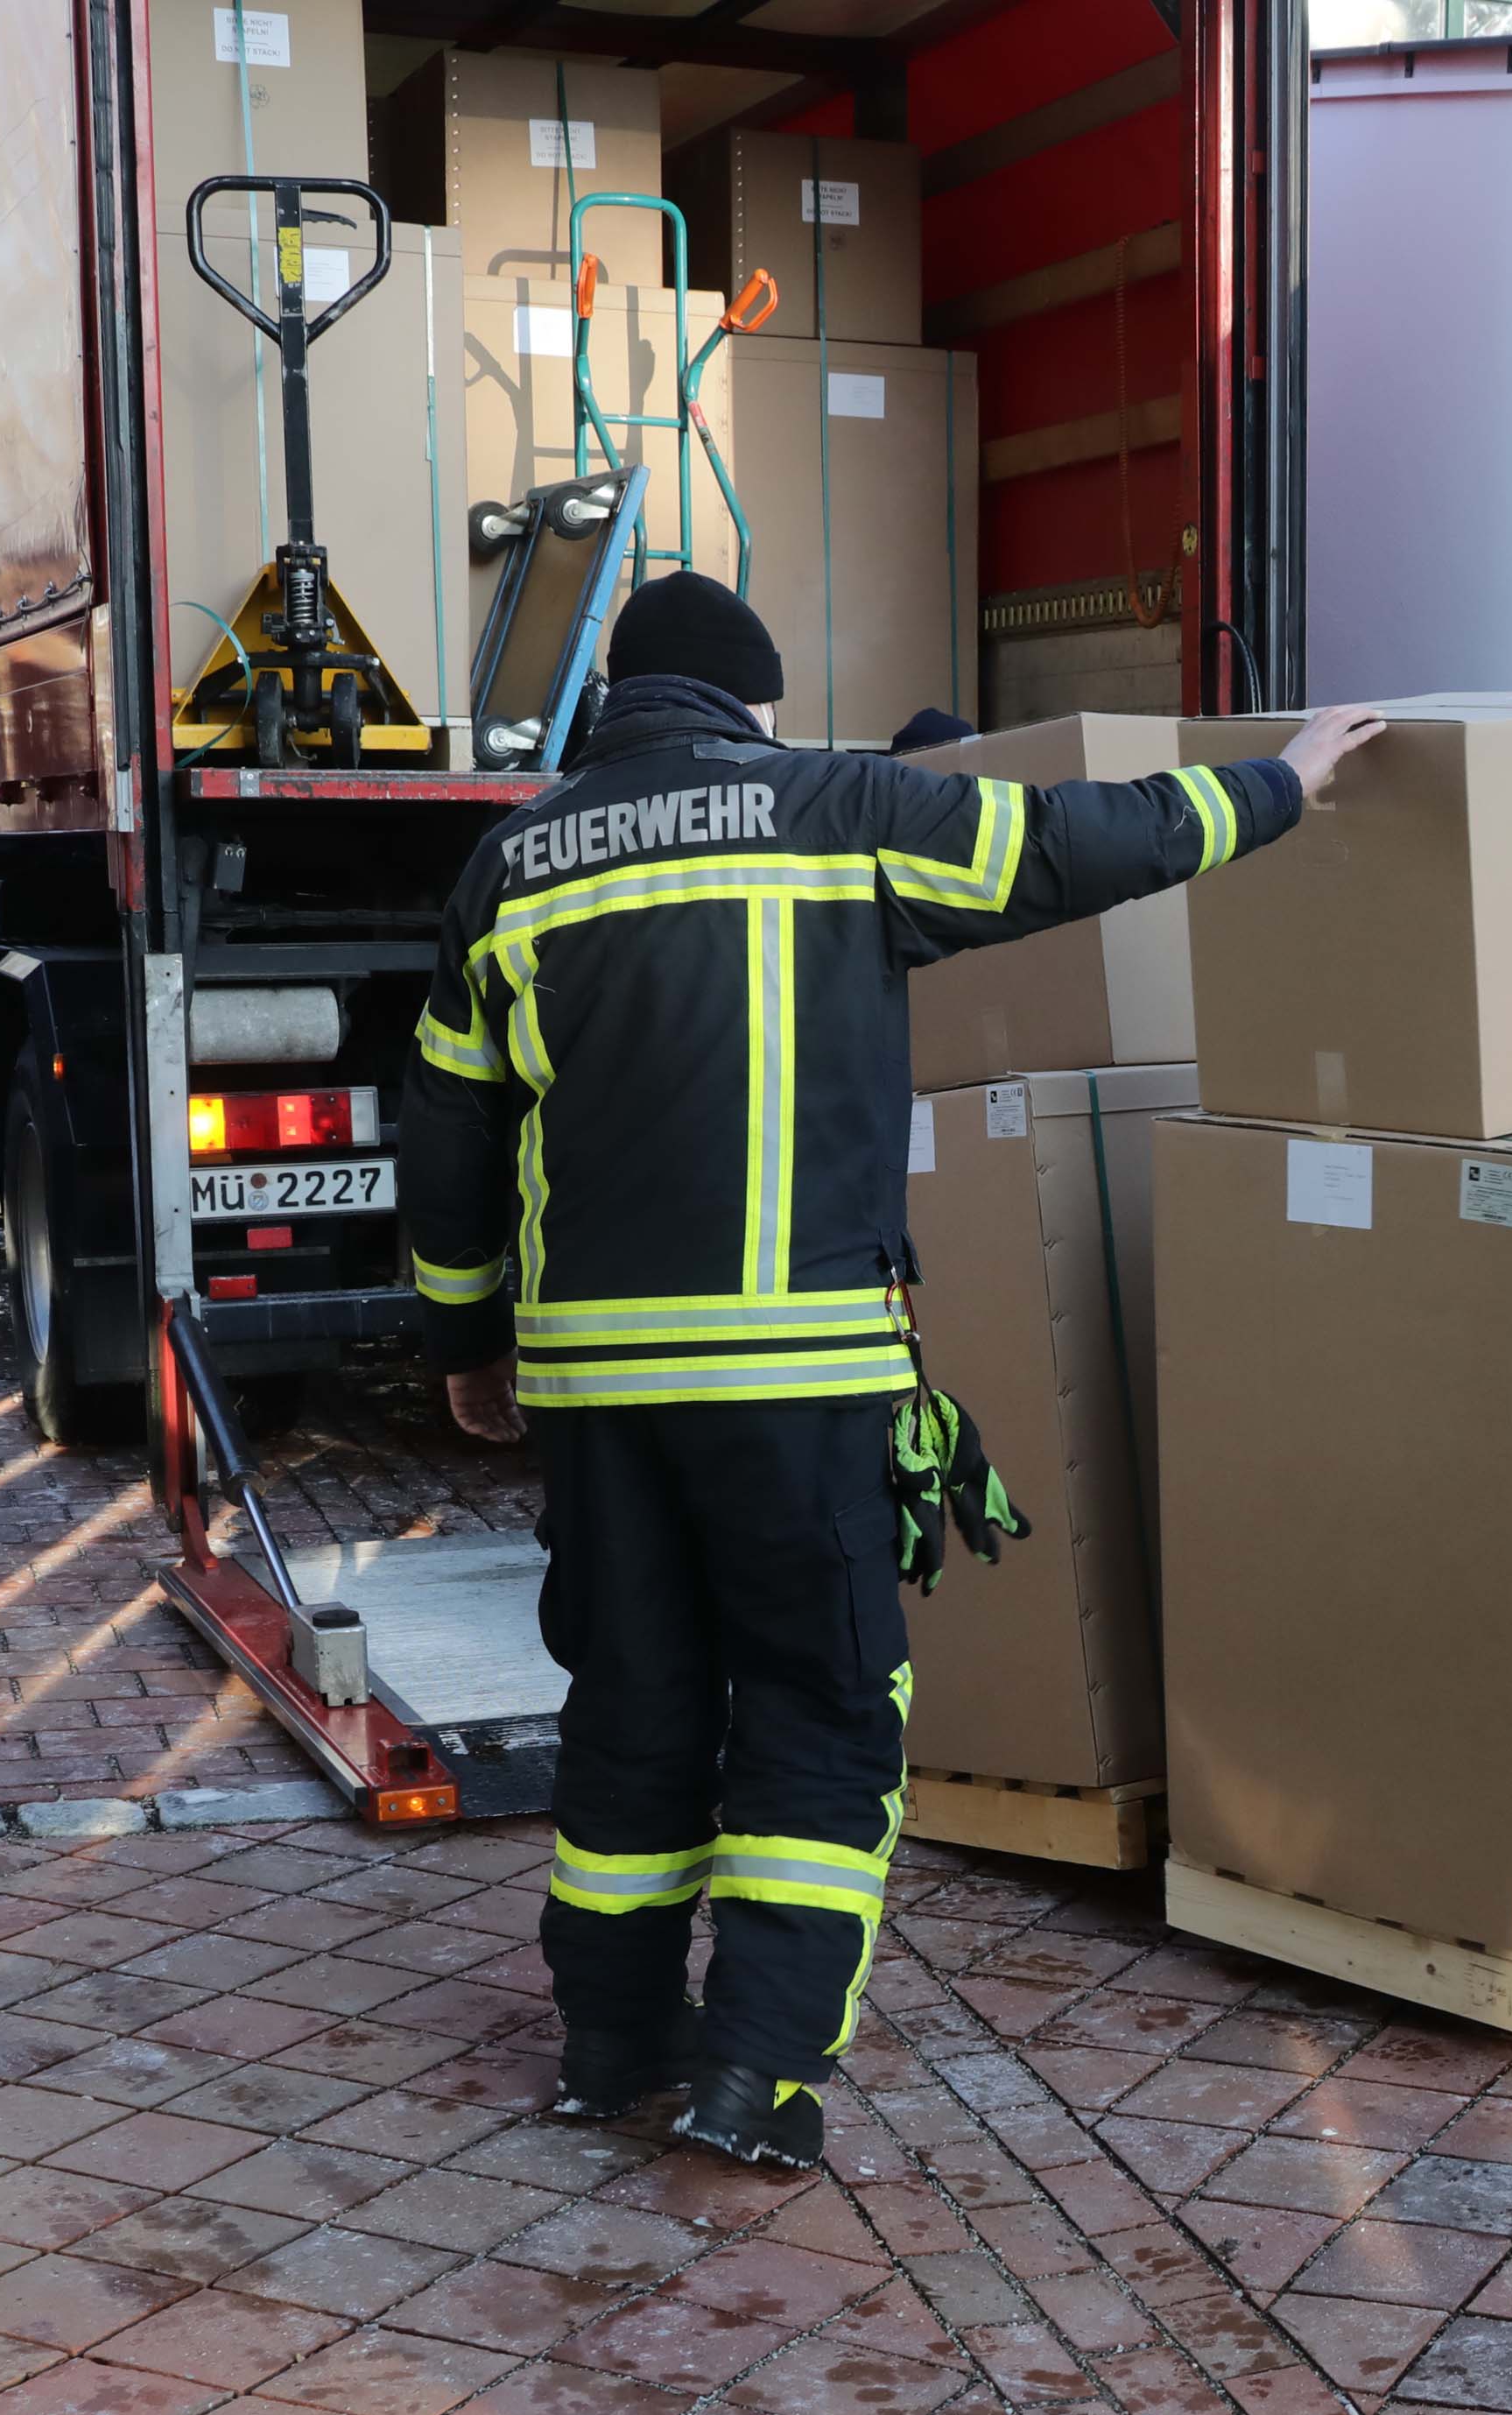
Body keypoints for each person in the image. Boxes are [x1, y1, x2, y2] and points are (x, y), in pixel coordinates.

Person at [405, 574, 1381, 2170]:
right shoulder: (833, 807)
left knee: (635, 1707)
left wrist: (461, 1340)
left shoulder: (512, 861)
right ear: (753, 703)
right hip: (796, 1372)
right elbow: (1081, 843)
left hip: (593, 1392)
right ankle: (759, 2074)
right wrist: (1285, 782)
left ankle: (611, 2049)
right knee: (819, 1706)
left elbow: (447, 1124)